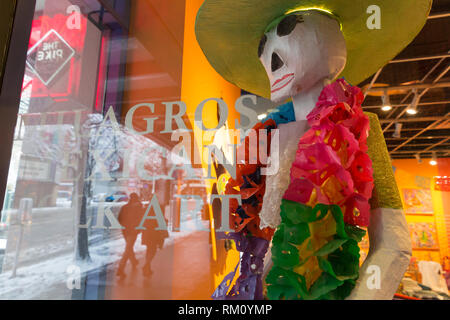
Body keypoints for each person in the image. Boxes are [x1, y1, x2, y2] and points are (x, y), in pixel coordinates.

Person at [117, 193, 144, 277]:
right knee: (128, 248)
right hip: (133, 231)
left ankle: (134, 261)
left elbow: (119, 218)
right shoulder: (139, 207)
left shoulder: (124, 207)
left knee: (129, 246)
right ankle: (120, 268)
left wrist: (124, 225)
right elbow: (141, 219)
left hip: (125, 230)